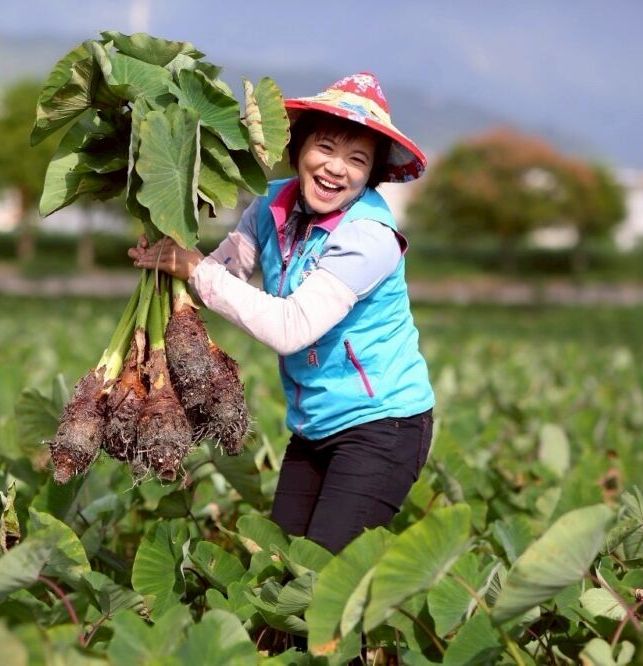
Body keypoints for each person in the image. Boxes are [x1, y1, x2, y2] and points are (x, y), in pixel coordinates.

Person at [129, 72, 434, 554]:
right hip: (313, 424)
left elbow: (291, 328)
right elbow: (224, 270)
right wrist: (167, 252)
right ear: (300, 149)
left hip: (382, 426)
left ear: (371, 174)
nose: (337, 168)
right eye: (325, 148)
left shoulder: (369, 237)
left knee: (319, 581)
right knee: (281, 571)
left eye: (357, 160)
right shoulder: (274, 202)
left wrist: (196, 272)